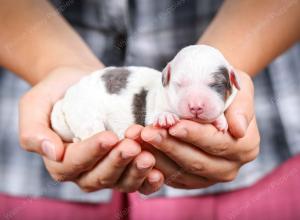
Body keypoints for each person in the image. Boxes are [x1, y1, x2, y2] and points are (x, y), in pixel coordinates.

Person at [0, 0, 299, 219]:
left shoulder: (224, 83)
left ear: (230, 80)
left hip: (265, 148)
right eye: (182, 87)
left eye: (214, 85)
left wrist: (230, 60)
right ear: (167, 78)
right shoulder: (142, 91)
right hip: (27, 180)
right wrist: (53, 64)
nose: (196, 103)